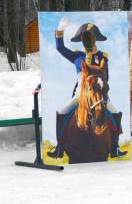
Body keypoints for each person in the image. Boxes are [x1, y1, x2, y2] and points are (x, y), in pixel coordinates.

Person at [47, 19, 127, 159]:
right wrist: (60, 30)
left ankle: (115, 147)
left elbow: (106, 76)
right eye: (85, 37)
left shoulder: (103, 56)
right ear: (82, 40)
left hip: (99, 93)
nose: (88, 40)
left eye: (90, 37)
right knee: (62, 113)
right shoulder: (77, 56)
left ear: (95, 38)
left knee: (114, 112)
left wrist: (101, 90)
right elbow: (60, 48)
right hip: (80, 94)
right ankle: (59, 148)